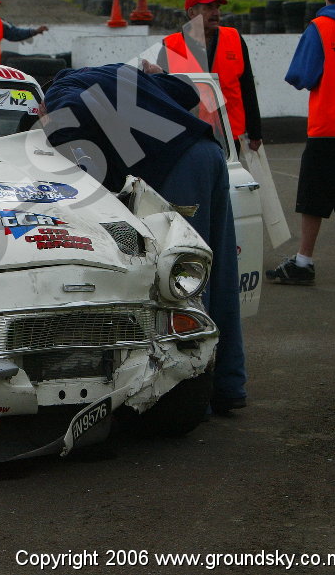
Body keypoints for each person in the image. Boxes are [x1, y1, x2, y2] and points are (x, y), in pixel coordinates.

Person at [42, 63, 247, 413]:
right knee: (219, 271)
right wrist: (155, 77)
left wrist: (55, 130)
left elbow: (73, 112)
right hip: (207, 153)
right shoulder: (120, 73)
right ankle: (229, 386)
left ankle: (195, 400)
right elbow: (188, 91)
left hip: (177, 168)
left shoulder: (60, 93)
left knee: (183, 287)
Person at [266, 0, 335, 287]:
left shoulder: (319, 28)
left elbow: (300, 76)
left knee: (313, 196)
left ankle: (304, 261)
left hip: (329, 126)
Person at [159, 0, 263, 153]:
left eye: (217, 7)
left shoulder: (234, 38)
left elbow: (248, 87)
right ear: (192, 13)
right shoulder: (171, 46)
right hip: (189, 133)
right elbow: (162, 96)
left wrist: (255, 132)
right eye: (208, 8)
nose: (215, 13)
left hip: (229, 132)